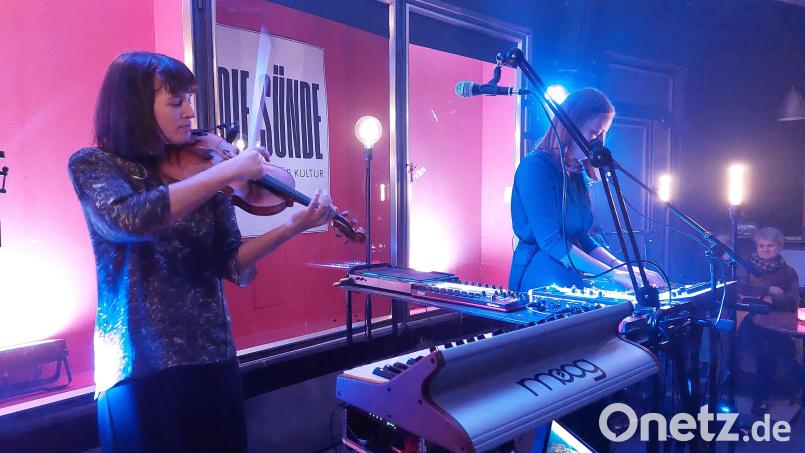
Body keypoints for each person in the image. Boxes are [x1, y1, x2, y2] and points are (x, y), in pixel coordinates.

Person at [68, 51, 337, 452]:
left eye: (189, 100)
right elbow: (129, 219)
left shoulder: (199, 170)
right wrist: (225, 171)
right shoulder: (95, 164)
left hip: (213, 356)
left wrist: (294, 226)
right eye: (176, 102)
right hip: (140, 366)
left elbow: (230, 261)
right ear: (136, 105)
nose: (190, 113)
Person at [508, 88, 663, 292]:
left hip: (573, 274)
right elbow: (552, 241)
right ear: (571, 125)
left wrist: (626, 269)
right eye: (595, 132)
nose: (598, 142)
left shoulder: (575, 171)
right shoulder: (535, 167)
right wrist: (613, 275)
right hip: (540, 277)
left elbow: (582, 238)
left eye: (603, 134)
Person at [735, 226, 801, 415]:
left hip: (775, 320)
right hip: (748, 318)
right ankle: (760, 398)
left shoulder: (788, 272)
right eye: (761, 245)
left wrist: (772, 299)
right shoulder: (746, 267)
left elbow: (791, 299)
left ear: (779, 247)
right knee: (768, 350)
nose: (765, 249)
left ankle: (762, 398)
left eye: (770, 245)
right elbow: (740, 288)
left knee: (773, 350)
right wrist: (768, 291)